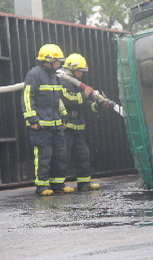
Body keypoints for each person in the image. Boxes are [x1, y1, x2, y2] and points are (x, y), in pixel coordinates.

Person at [21, 44, 74, 196]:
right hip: (41, 125)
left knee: (60, 154)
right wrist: (32, 119)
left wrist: (63, 117)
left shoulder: (54, 76)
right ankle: (42, 186)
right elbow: (27, 97)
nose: (60, 64)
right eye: (57, 61)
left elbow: (57, 100)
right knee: (43, 156)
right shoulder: (34, 74)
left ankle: (58, 184)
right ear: (49, 60)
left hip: (56, 124)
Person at [60, 53, 103, 191]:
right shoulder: (63, 80)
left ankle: (84, 183)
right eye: (79, 71)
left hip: (78, 125)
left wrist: (98, 105)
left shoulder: (78, 84)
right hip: (66, 126)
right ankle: (58, 185)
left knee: (83, 154)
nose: (81, 74)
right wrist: (85, 94)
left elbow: (86, 104)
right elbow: (68, 98)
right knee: (62, 156)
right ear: (71, 69)